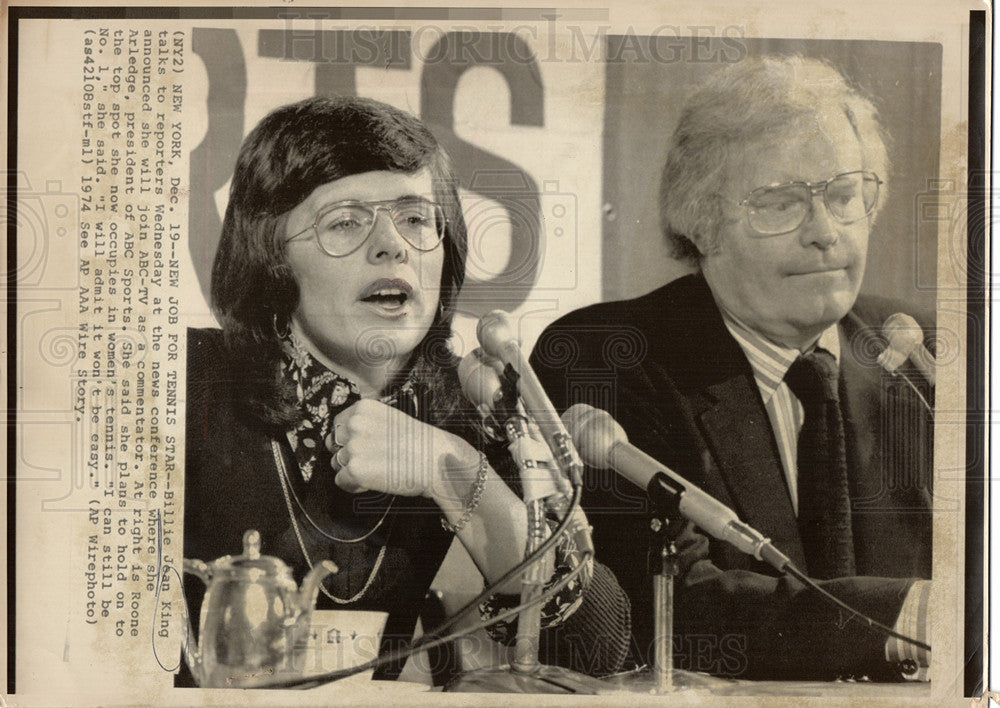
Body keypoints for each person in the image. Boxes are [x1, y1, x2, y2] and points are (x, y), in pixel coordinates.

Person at [182, 96, 630, 685]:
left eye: (416, 219)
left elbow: (600, 653)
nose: (392, 246)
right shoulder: (183, 379)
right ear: (272, 258)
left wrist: (452, 469)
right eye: (345, 221)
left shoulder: (471, 405)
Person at [530, 56, 932, 681]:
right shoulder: (605, 355)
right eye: (781, 203)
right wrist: (912, 616)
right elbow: (668, 613)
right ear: (702, 219)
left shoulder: (921, 354)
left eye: (845, 195)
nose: (826, 232)